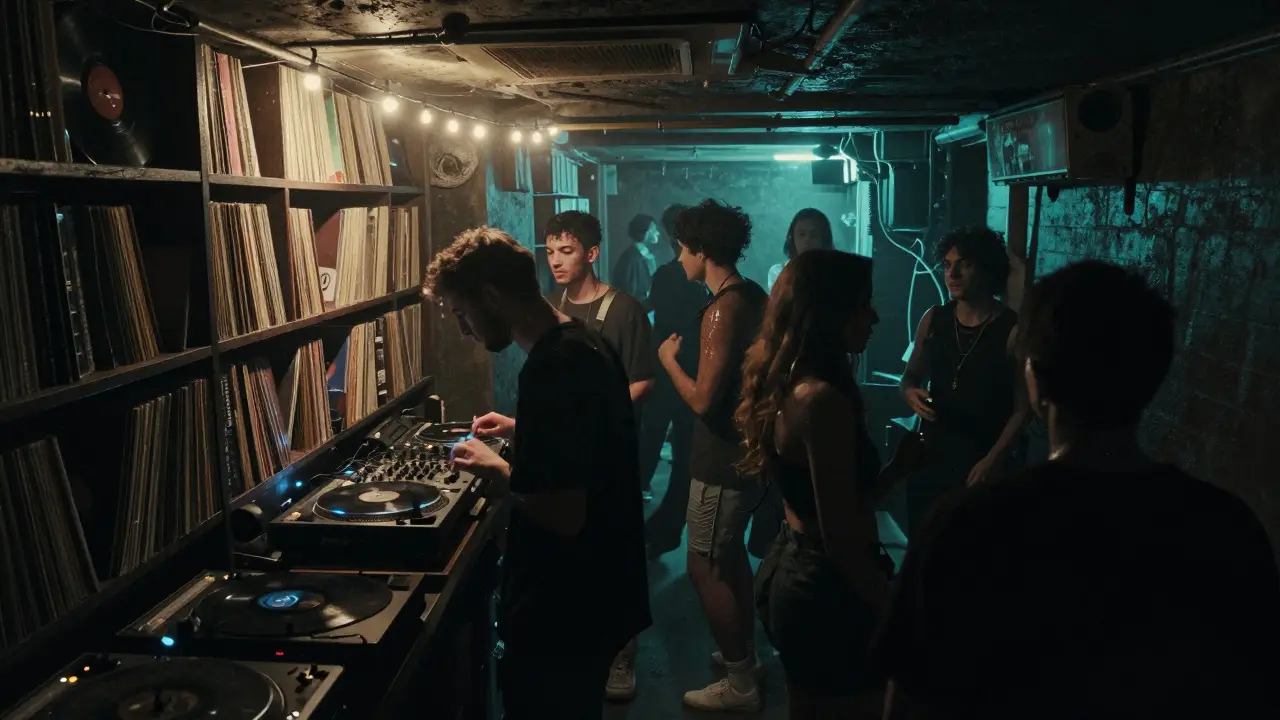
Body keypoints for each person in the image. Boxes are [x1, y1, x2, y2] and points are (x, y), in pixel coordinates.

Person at [875, 261, 1280, 719]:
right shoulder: (1226, 528)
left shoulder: (967, 528)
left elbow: (910, 705)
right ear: (1153, 373)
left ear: (1036, 379)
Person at [425, 227, 651, 719]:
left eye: (464, 314)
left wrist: (499, 469)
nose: (465, 330)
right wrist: (521, 426)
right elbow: (587, 435)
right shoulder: (582, 340)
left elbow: (566, 514)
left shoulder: (554, 368)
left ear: (491, 297)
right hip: (601, 597)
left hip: (567, 611)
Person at [738, 250, 920, 719]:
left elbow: (827, 507)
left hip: (798, 568)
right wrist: (892, 613)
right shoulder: (822, 401)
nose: (875, 316)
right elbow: (839, 535)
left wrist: (897, 470)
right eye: (863, 304)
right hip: (824, 586)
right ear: (828, 313)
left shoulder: (792, 380)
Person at [657, 199, 768, 712]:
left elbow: (702, 398)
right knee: (728, 559)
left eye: (682, 247)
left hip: (722, 458)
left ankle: (741, 681)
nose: (679, 257)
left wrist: (667, 362)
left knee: (704, 566)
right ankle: (742, 655)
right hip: (738, 454)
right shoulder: (749, 296)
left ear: (702, 249)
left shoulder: (723, 306)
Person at [542, 210, 653, 701]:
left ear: (591, 253)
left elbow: (644, 378)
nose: (556, 261)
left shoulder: (624, 310)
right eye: (549, 252)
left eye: (566, 251)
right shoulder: (547, 308)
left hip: (609, 453)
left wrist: (597, 410)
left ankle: (622, 655)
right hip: (562, 455)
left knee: (615, 552)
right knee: (569, 553)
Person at [898, 225, 1028, 534]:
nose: (952, 274)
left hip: (981, 463)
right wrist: (909, 393)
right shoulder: (934, 319)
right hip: (933, 460)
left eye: (964, 264)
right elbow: (909, 377)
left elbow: (1024, 409)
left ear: (986, 270)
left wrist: (992, 461)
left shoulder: (1012, 329)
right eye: (947, 265)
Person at [640, 203, 707, 546]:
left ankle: (658, 529)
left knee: (657, 447)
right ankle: (664, 529)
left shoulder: (673, 274)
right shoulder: (690, 277)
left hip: (673, 370)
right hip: (684, 369)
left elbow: (663, 319)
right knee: (678, 455)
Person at [766, 208, 834, 293]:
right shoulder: (778, 272)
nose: (807, 240)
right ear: (792, 237)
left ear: (823, 239)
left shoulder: (835, 274)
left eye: (814, 235)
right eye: (801, 234)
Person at [612, 213, 661, 302]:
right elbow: (629, 291)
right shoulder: (631, 259)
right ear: (643, 232)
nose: (657, 233)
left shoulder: (646, 255)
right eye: (653, 230)